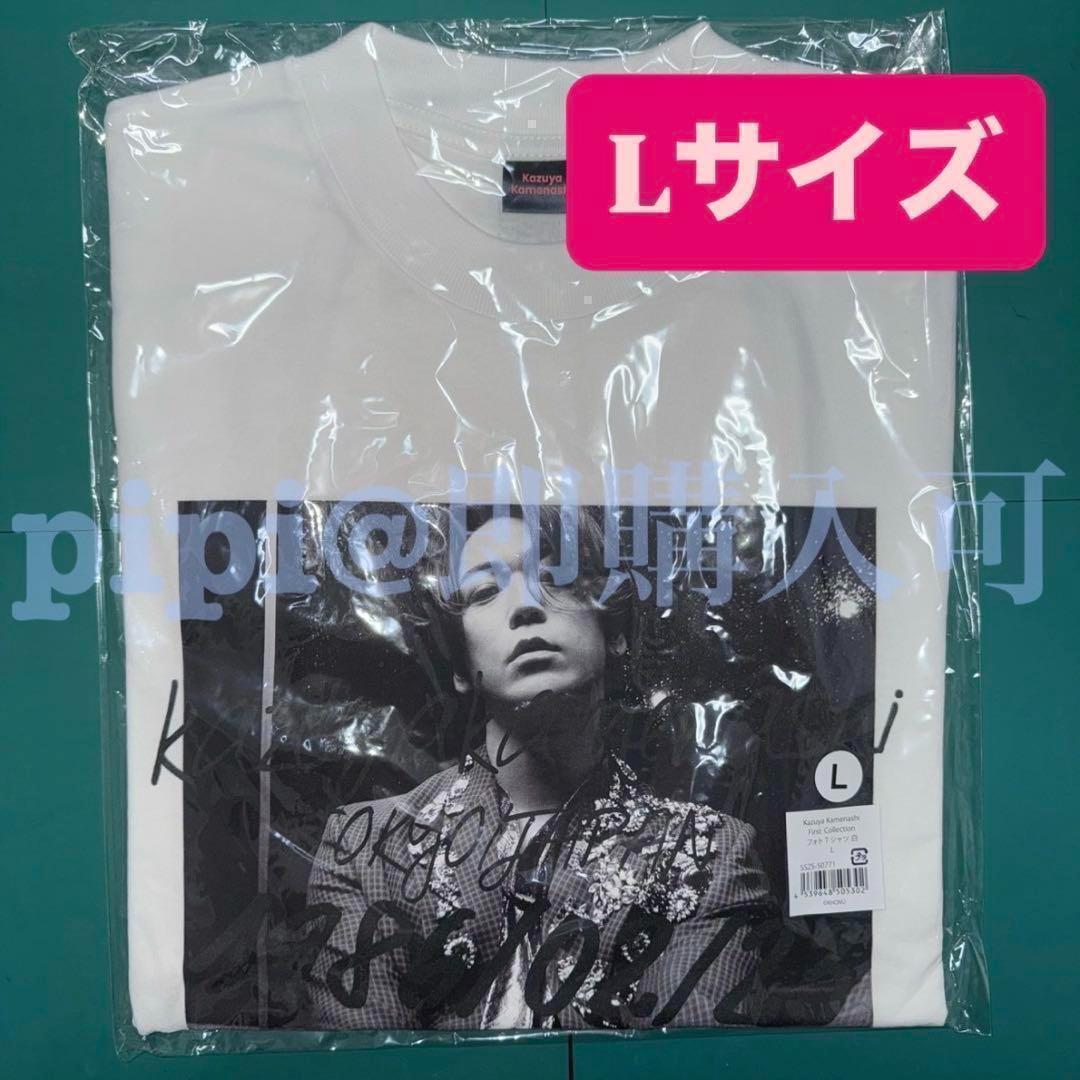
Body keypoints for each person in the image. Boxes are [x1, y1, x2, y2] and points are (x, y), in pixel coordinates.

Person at [306, 505, 774, 1030]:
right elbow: (368, 1063)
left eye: (555, 579)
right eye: (485, 592)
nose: (526, 606)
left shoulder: (710, 851)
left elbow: (691, 1061)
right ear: (460, 663)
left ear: (614, 630)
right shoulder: (365, 846)